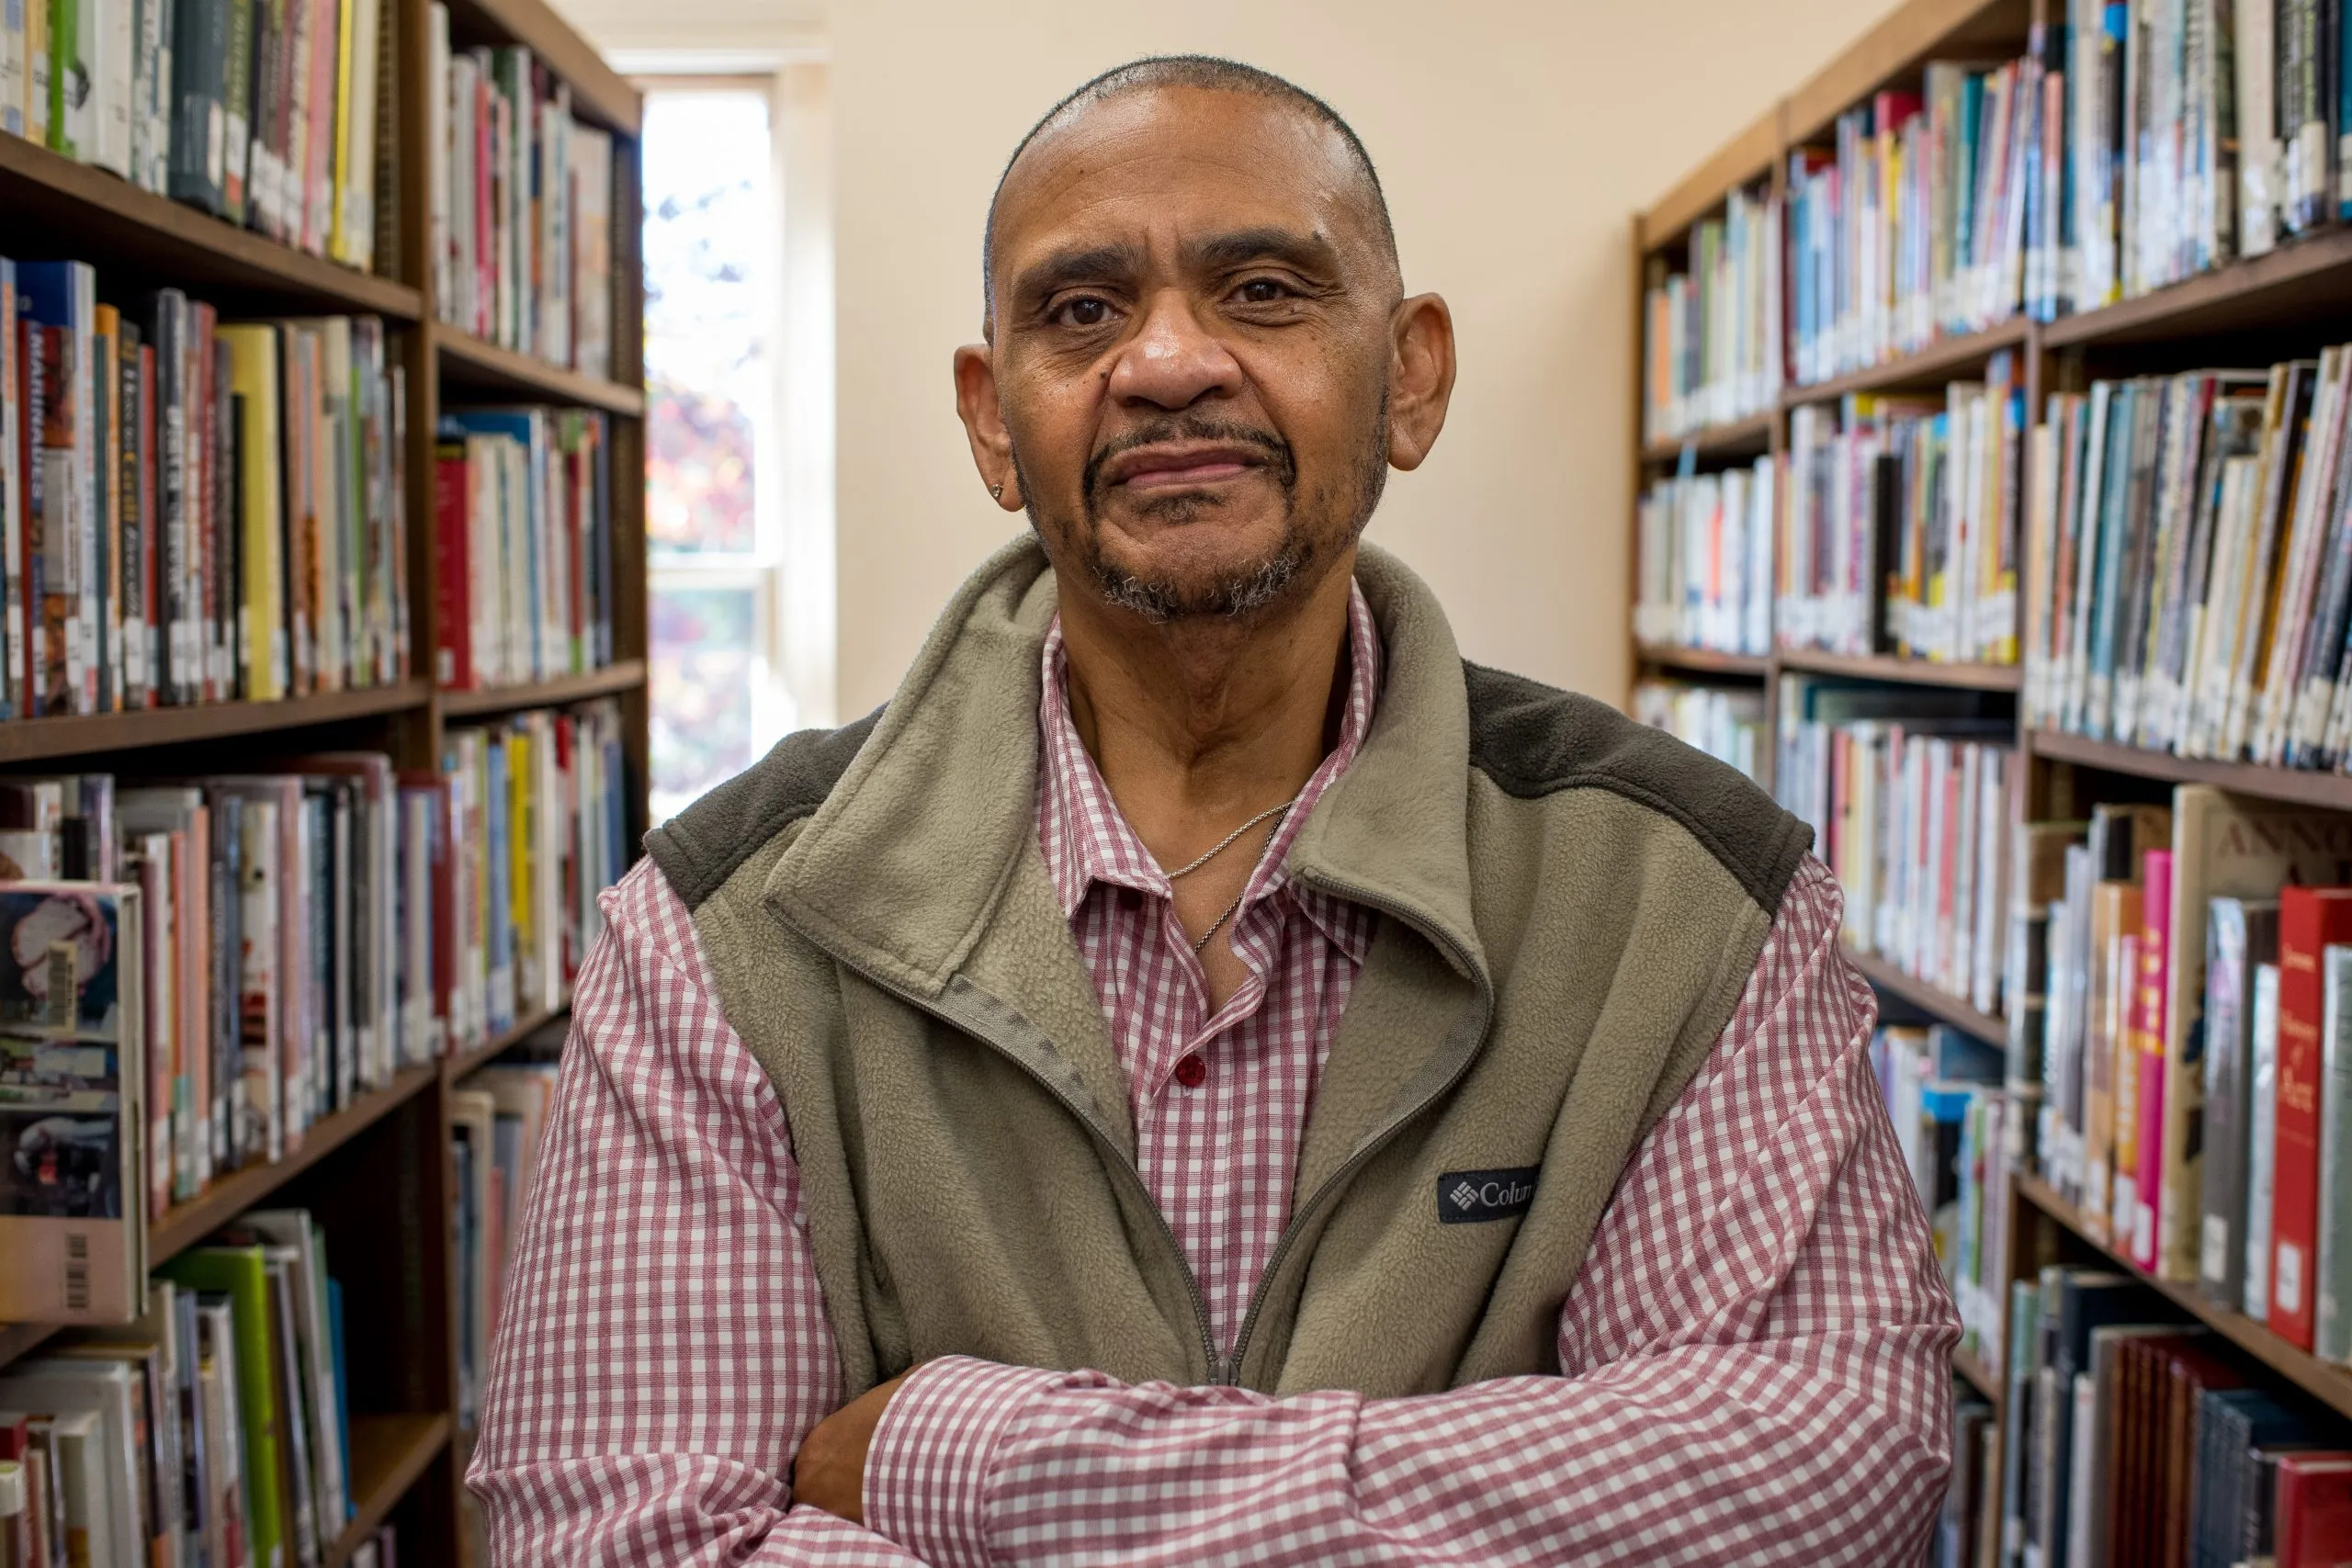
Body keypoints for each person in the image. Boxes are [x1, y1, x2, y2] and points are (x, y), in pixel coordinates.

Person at [470, 55, 1960, 1564]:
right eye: (1081, 311)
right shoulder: (723, 932)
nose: (1170, 361)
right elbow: (619, 1538)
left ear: (1413, 375)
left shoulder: (1684, 898)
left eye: (1261, 291)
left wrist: (971, 1457)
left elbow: (1824, 1474)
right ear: (993, 422)